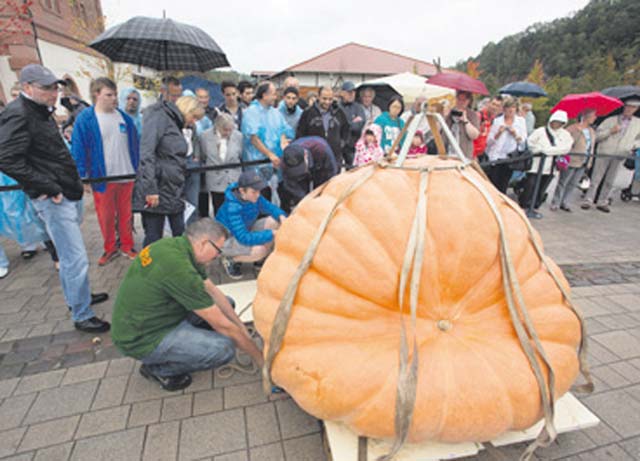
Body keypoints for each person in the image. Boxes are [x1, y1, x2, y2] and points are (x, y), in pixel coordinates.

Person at [0, 64, 109, 332]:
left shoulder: (39, 111)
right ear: (27, 88)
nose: (54, 92)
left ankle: (78, 298)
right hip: (53, 197)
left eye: (55, 87)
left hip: (63, 192)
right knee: (74, 258)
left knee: (73, 257)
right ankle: (82, 313)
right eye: (47, 88)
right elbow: (7, 158)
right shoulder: (19, 114)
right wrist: (47, 186)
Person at [111, 218, 262, 391]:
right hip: (143, 338)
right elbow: (223, 325)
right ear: (204, 243)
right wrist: (260, 359)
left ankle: (192, 345)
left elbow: (213, 291)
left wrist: (241, 328)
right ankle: (158, 369)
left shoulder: (177, 246)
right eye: (218, 250)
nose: (218, 256)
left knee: (227, 303)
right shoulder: (179, 269)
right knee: (224, 350)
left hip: (153, 317)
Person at [72, 77, 140, 265]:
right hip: (102, 178)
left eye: (115, 94)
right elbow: (78, 149)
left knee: (126, 214)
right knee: (106, 216)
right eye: (109, 95)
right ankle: (110, 248)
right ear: (97, 95)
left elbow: (135, 145)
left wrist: (137, 168)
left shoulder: (124, 117)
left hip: (126, 175)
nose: (114, 99)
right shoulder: (86, 119)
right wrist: (83, 176)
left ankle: (127, 245)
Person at [132, 91, 192, 247]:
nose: (194, 122)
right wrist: (151, 189)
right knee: (153, 236)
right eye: (194, 117)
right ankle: (147, 269)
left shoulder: (174, 122)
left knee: (179, 233)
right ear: (188, 111)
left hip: (172, 187)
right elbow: (147, 153)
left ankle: (178, 266)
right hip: (157, 187)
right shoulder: (158, 116)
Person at [216, 170, 286, 279]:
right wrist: (272, 234)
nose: (258, 195)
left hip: (245, 231)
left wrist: (282, 217)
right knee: (260, 250)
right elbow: (243, 238)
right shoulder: (232, 207)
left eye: (259, 191)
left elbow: (271, 208)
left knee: (273, 221)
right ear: (242, 191)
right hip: (227, 241)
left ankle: (259, 259)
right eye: (254, 192)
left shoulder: (254, 197)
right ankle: (231, 259)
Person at [582, 99, 640, 212]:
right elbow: (597, 136)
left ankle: (602, 201)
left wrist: (632, 145)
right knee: (596, 178)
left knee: (611, 179)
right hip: (605, 152)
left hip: (621, 154)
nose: (629, 109)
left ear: (636, 109)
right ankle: (588, 200)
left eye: (632, 107)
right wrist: (610, 131)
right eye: (627, 106)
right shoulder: (611, 120)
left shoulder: (638, 123)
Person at [241, 81, 292, 202]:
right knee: (258, 198)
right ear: (264, 95)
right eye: (274, 94)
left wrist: (283, 142)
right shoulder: (251, 112)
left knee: (276, 197)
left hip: (275, 164)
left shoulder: (275, 112)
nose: (276, 97)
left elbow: (283, 130)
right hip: (257, 163)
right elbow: (253, 138)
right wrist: (269, 154)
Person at [518, 110, 573, 218]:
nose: (556, 124)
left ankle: (534, 206)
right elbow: (531, 144)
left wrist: (547, 150)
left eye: (560, 122)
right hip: (536, 165)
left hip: (551, 167)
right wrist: (547, 150)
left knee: (542, 188)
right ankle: (524, 205)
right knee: (530, 185)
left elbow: (565, 148)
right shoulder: (540, 131)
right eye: (555, 121)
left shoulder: (565, 135)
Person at [551, 109, 597, 212]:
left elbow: (592, 146)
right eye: (593, 116)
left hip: (584, 160)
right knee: (563, 182)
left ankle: (565, 202)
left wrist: (590, 161)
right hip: (572, 159)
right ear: (586, 116)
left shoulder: (591, 131)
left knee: (573, 183)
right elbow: (564, 142)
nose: (595, 118)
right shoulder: (572, 129)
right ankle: (556, 202)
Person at [280, 136, 338, 212]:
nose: (301, 171)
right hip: (300, 179)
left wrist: (322, 197)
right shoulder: (284, 162)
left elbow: (332, 176)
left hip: (321, 169)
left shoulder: (321, 148)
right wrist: (305, 201)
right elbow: (291, 185)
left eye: (300, 167)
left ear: (305, 155)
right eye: (295, 170)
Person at [297, 86, 349, 168]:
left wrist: (341, 144)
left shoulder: (339, 113)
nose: (327, 102)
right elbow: (300, 134)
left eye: (330, 99)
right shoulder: (308, 113)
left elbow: (346, 130)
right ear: (318, 97)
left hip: (334, 159)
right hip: (315, 159)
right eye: (324, 99)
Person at [201, 113, 243, 215]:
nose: (228, 132)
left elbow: (240, 154)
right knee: (218, 208)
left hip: (233, 178)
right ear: (217, 127)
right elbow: (203, 155)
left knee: (234, 209)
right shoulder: (205, 136)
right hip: (215, 178)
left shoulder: (238, 136)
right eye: (225, 130)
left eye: (230, 129)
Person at [484, 97, 527, 193]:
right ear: (504, 109)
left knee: (503, 184)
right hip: (496, 157)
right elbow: (489, 142)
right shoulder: (497, 121)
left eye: (513, 107)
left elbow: (523, 142)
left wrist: (515, 134)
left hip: (510, 158)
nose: (511, 110)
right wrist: (498, 133)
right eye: (508, 107)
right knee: (493, 184)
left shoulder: (520, 122)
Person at [178, 97, 205, 225]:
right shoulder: (171, 127)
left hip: (192, 164)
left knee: (193, 202)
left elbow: (196, 142)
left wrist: (196, 156)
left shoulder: (192, 127)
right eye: (193, 117)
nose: (194, 121)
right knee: (178, 204)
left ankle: (192, 229)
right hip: (178, 166)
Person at [339, 81, 367, 169]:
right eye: (349, 92)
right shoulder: (336, 107)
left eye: (353, 92)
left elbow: (359, 126)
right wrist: (351, 122)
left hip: (353, 147)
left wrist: (347, 124)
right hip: (339, 146)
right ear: (342, 93)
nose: (352, 94)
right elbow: (338, 126)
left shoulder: (358, 107)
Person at [445, 91, 480, 159]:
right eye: (459, 99)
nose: (461, 102)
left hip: (464, 154)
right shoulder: (449, 111)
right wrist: (444, 116)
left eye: (464, 100)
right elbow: (437, 130)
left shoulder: (472, 115)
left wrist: (466, 121)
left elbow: (475, 136)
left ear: (468, 101)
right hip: (447, 152)